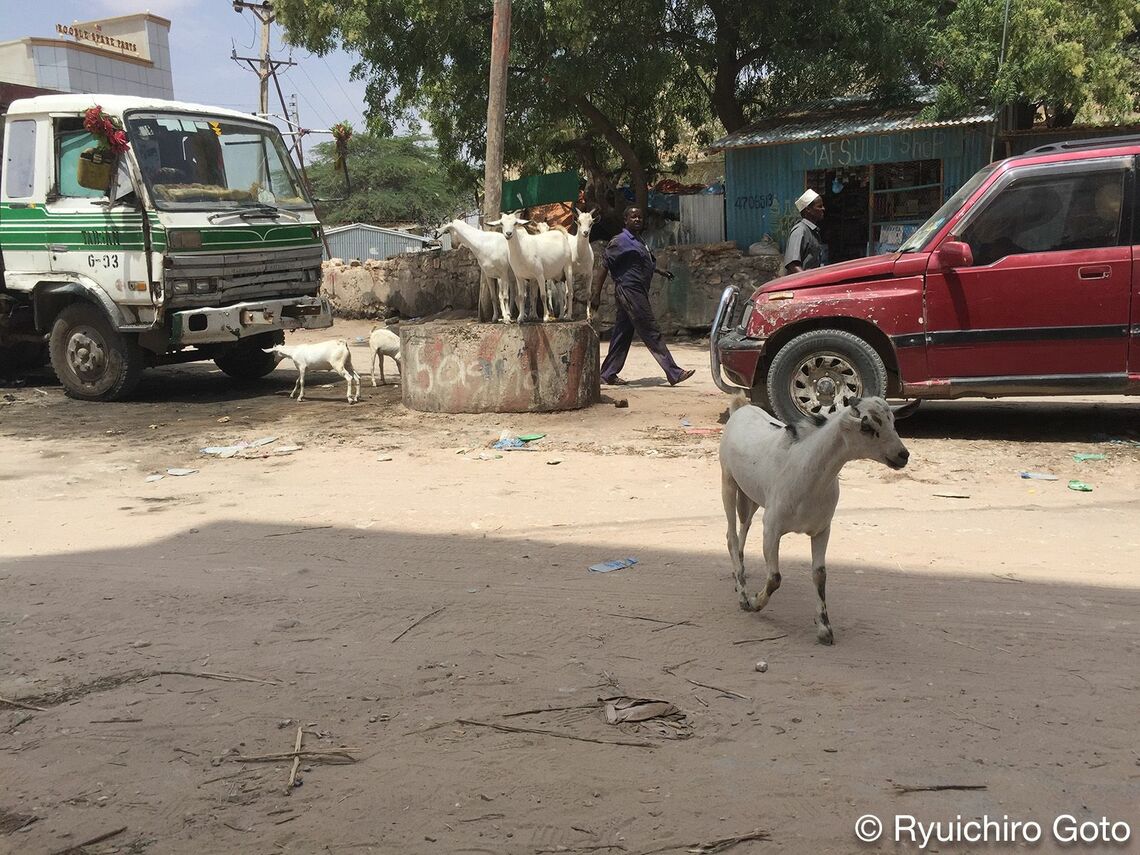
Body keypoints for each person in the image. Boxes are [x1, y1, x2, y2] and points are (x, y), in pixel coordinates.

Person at [588, 206, 695, 387]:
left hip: (637, 291)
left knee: (622, 334)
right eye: (633, 217)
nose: (637, 219)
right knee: (651, 330)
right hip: (630, 291)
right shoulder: (620, 241)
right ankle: (673, 372)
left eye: (640, 217)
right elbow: (604, 265)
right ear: (625, 220)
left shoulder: (639, 241)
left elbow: (645, 262)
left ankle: (607, 374)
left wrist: (661, 271)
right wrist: (596, 294)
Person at [783, 188, 825, 274]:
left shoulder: (812, 231)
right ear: (808, 209)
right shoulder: (800, 231)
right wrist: (806, 281)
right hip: (801, 285)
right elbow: (792, 264)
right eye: (819, 206)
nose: (823, 209)